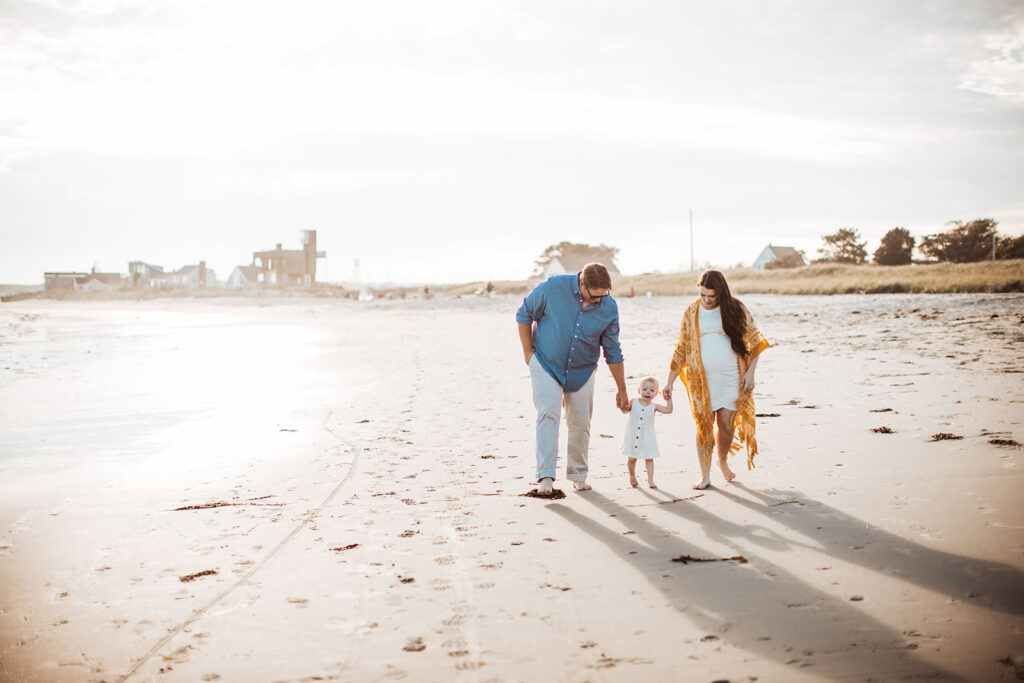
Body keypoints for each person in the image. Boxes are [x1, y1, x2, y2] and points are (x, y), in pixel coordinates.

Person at [516, 263, 629, 495]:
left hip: (583, 369)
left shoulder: (609, 307)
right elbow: (524, 314)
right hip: (547, 363)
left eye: (603, 296)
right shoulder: (552, 287)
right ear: (581, 284)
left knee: (580, 423)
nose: (598, 301)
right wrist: (528, 354)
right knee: (548, 414)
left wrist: (622, 389)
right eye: (594, 296)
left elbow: (613, 350)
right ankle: (545, 476)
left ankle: (578, 475)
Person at [663, 269, 769, 490]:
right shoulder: (691, 311)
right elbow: (681, 347)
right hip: (700, 380)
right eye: (703, 295)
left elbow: (755, 339)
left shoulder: (735, 308)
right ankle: (705, 475)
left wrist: (751, 372)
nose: (707, 300)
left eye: (712, 296)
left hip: (731, 377)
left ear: (721, 293)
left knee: (726, 426)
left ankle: (722, 461)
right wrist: (670, 381)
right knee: (704, 426)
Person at [622, 376, 673, 489]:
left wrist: (669, 399)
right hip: (633, 434)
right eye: (644, 389)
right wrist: (622, 404)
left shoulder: (654, 406)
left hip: (647, 436)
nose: (648, 392)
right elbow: (625, 410)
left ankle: (650, 480)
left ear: (655, 393)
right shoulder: (633, 402)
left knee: (649, 458)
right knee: (631, 458)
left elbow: (668, 410)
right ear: (639, 390)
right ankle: (632, 476)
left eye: (652, 390)